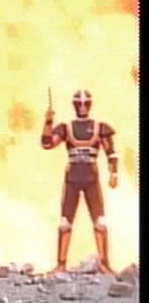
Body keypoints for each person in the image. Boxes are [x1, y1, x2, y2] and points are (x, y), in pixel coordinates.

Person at [41, 89, 118, 274]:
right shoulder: (66, 128)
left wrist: (114, 173)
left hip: (91, 178)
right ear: (75, 105)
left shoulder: (100, 127)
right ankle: (61, 264)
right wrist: (48, 122)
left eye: (85, 104)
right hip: (73, 178)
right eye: (79, 104)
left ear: (89, 105)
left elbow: (111, 152)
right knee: (65, 222)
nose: (82, 107)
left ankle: (104, 263)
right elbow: (47, 143)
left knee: (100, 222)